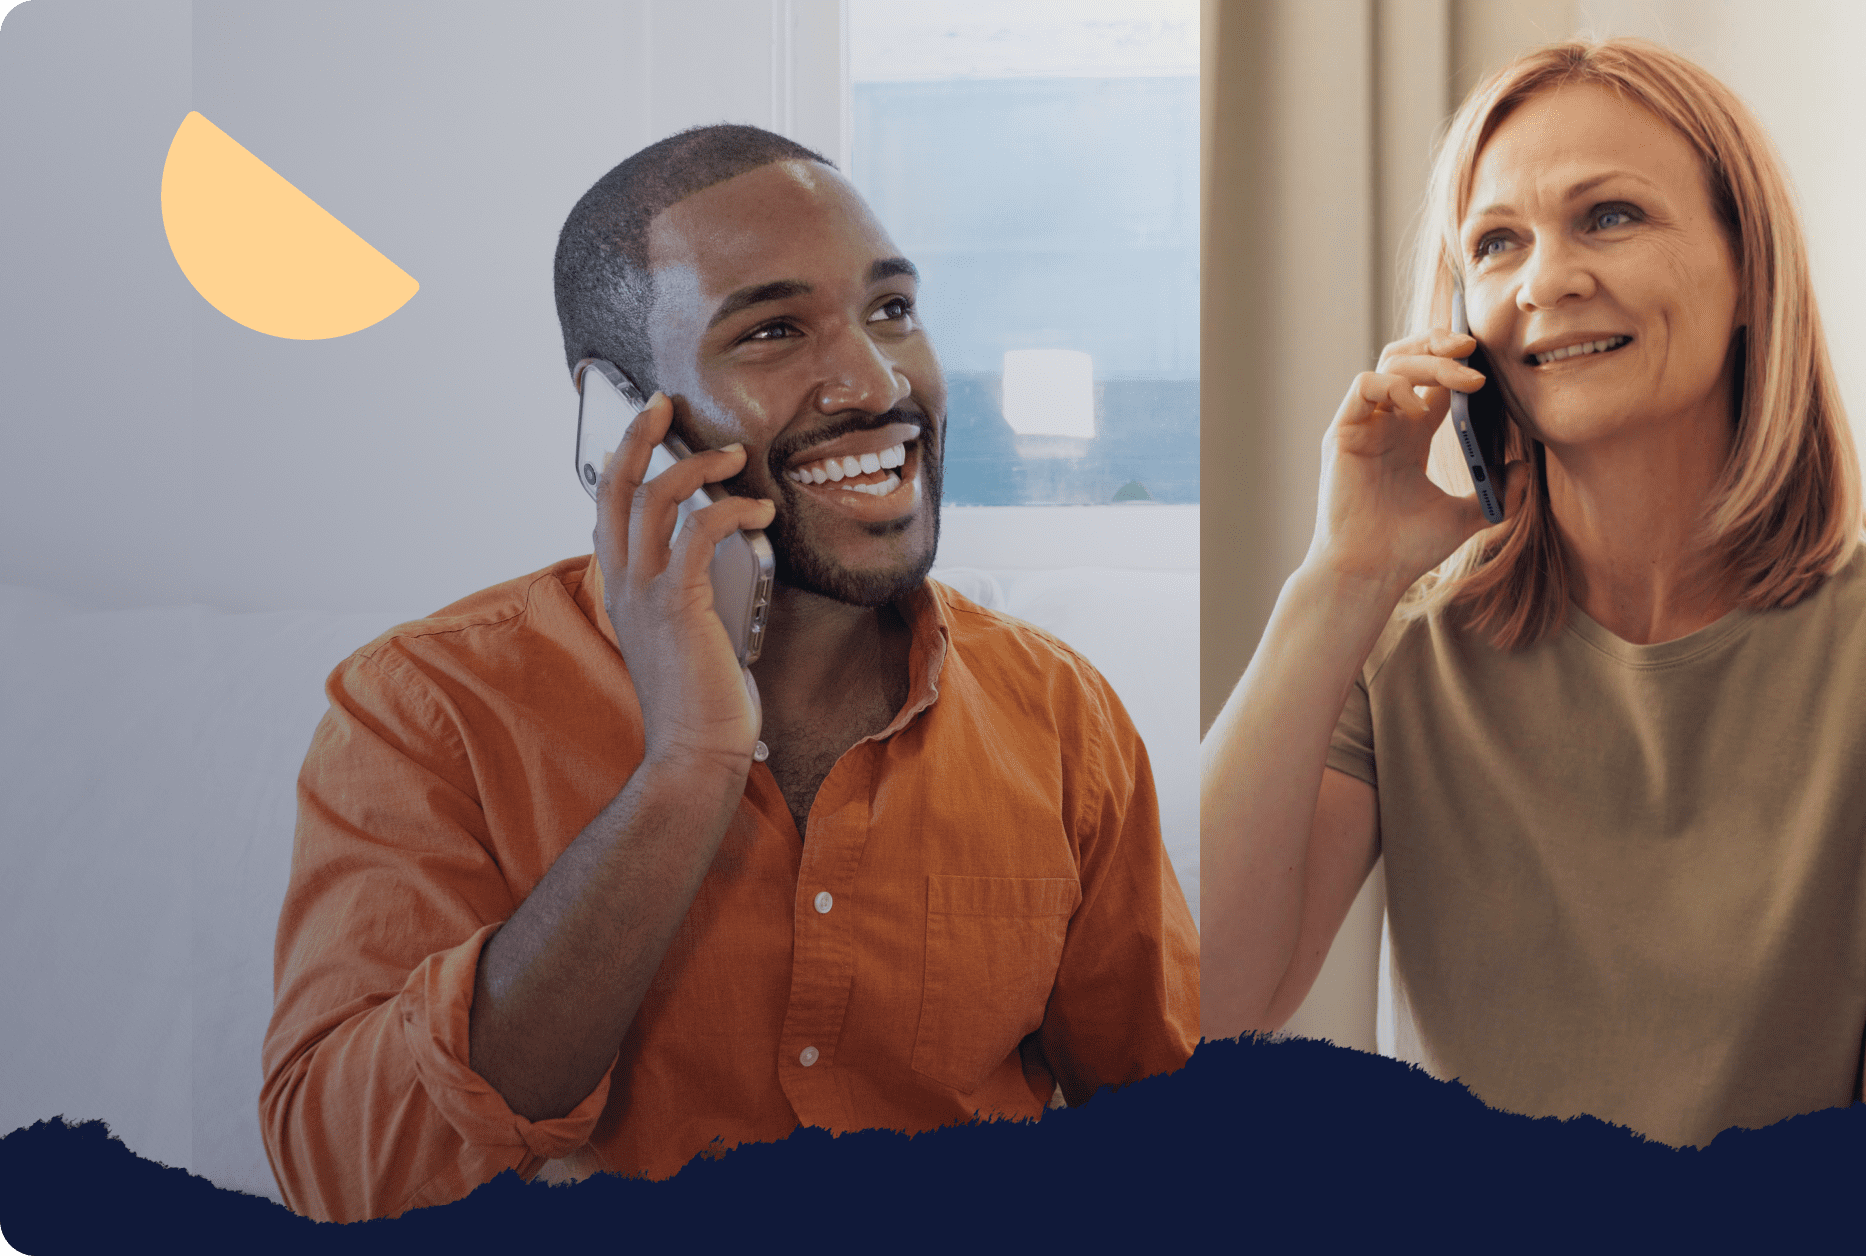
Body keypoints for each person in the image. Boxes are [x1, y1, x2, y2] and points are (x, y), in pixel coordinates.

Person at [261, 125, 1197, 1222]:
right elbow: (347, 1180)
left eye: (892, 309)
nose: (875, 382)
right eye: (772, 331)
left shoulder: (1059, 714)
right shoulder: (427, 709)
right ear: (623, 415)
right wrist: (686, 768)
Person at [1200, 38, 1866, 1147]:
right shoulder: (1401, 651)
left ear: (1749, 274)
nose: (1544, 281)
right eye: (1496, 242)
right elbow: (1198, 999)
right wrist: (1340, 578)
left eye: (1609, 216)